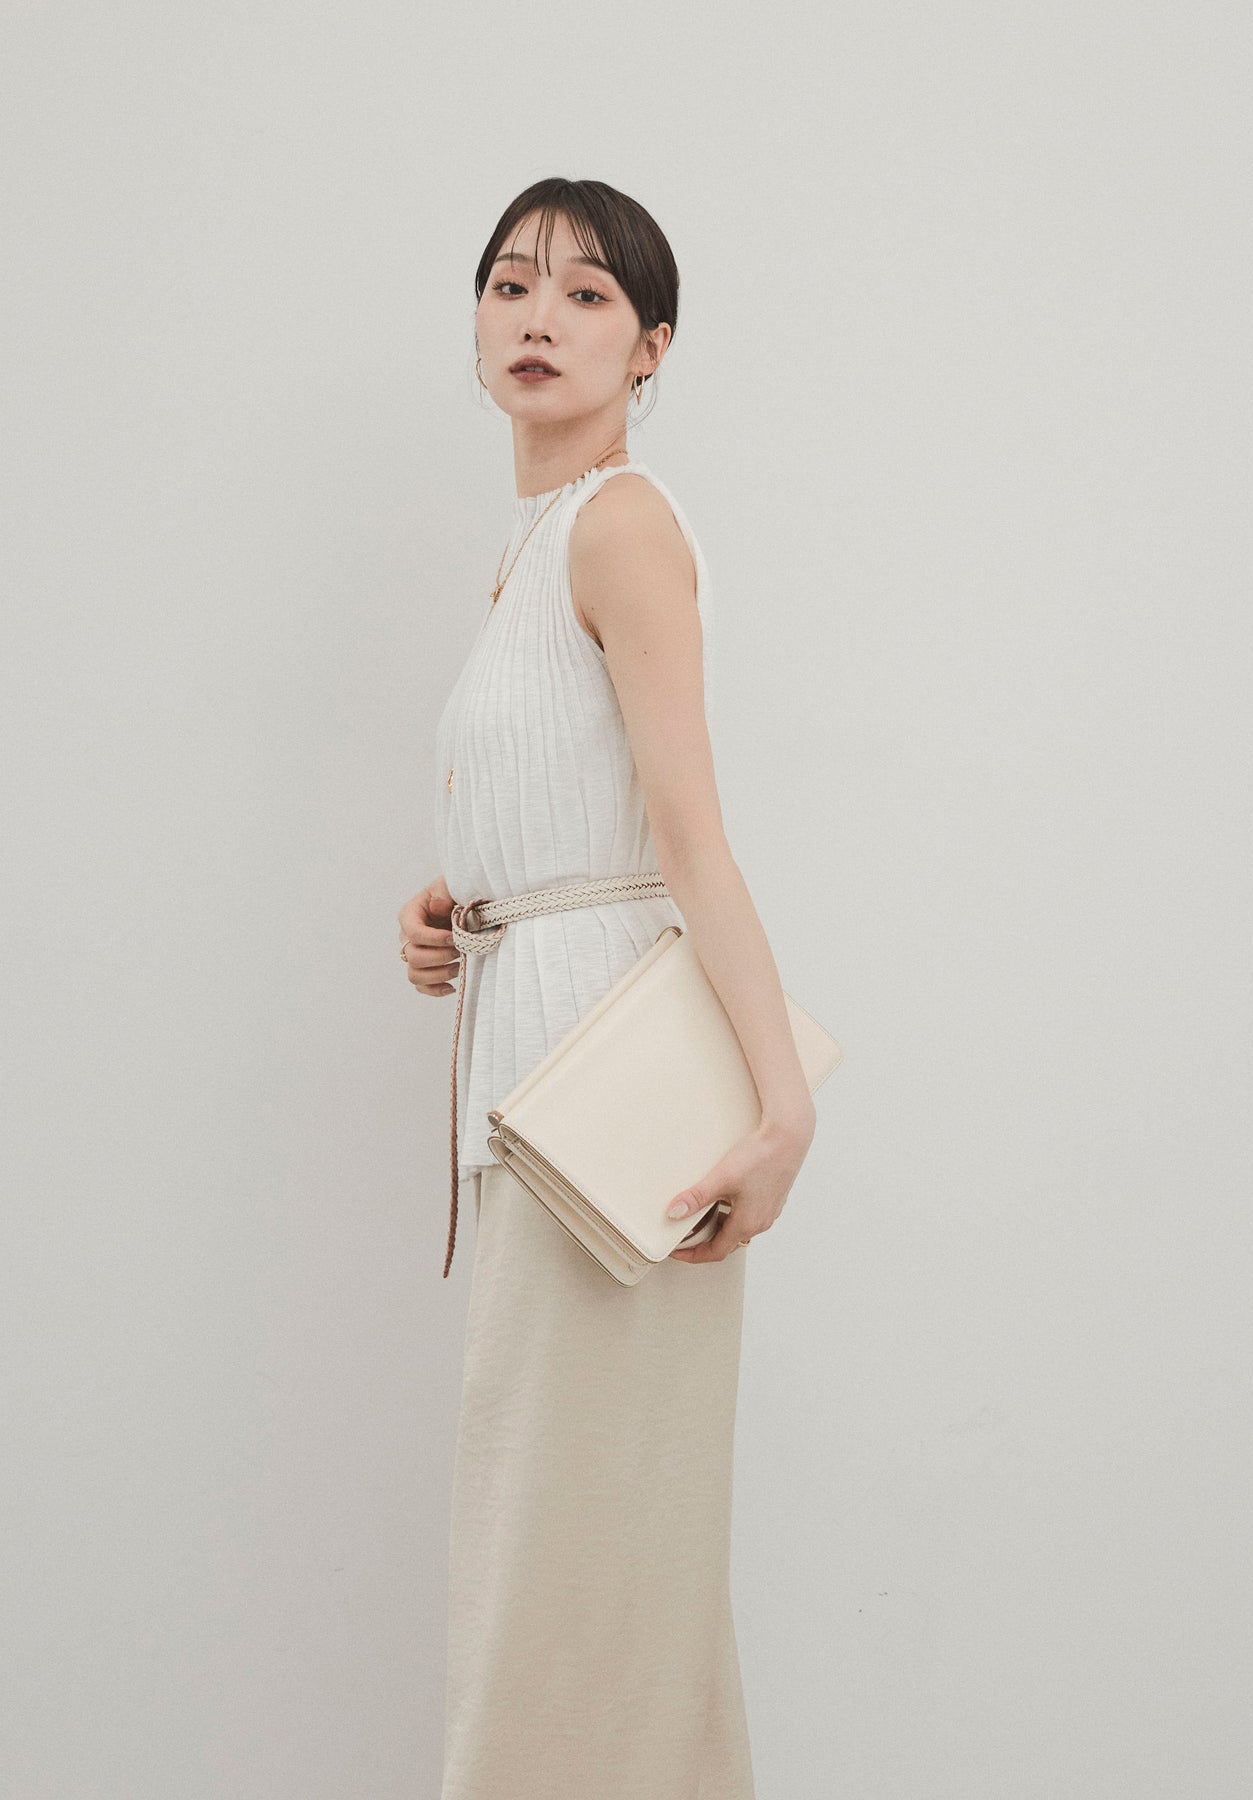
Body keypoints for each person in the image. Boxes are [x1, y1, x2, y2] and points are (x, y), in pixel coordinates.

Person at [396, 176, 817, 1800]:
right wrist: (463, 903)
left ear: (652, 348)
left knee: (564, 1559)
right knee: (596, 1555)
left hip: (605, 1098)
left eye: (587, 296)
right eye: (511, 285)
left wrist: (781, 1111)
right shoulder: (534, 547)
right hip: (545, 1060)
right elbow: (580, 808)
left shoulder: (620, 524)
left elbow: (690, 835)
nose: (538, 317)